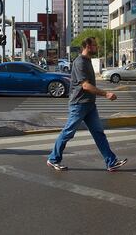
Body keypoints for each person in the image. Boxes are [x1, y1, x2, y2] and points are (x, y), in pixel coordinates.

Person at [47, 37, 127, 172]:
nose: (97, 47)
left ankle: (111, 162)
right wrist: (106, 94)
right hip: (79, 104)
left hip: (89, 104)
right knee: (68, 132)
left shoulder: (87, 61)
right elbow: (85, 85)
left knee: (98, 133)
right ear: (88, 46)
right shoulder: (80, 62)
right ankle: (53, 159)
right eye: (95, 45)